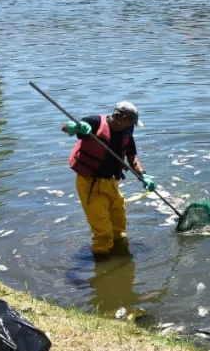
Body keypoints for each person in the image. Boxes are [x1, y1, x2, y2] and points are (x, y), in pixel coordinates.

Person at [63, 101, 156, 257]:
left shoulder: (126, 134)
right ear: (121, 117)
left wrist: (143, 176)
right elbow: (65, 127)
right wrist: (74, 127)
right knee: (103, 232)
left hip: (111, 183)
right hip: (90, 185)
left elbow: (132, 158)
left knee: (119, 224)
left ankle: (121, 258)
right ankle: (102, 260)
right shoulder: (94, 123)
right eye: (131, 122)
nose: (132, 126)